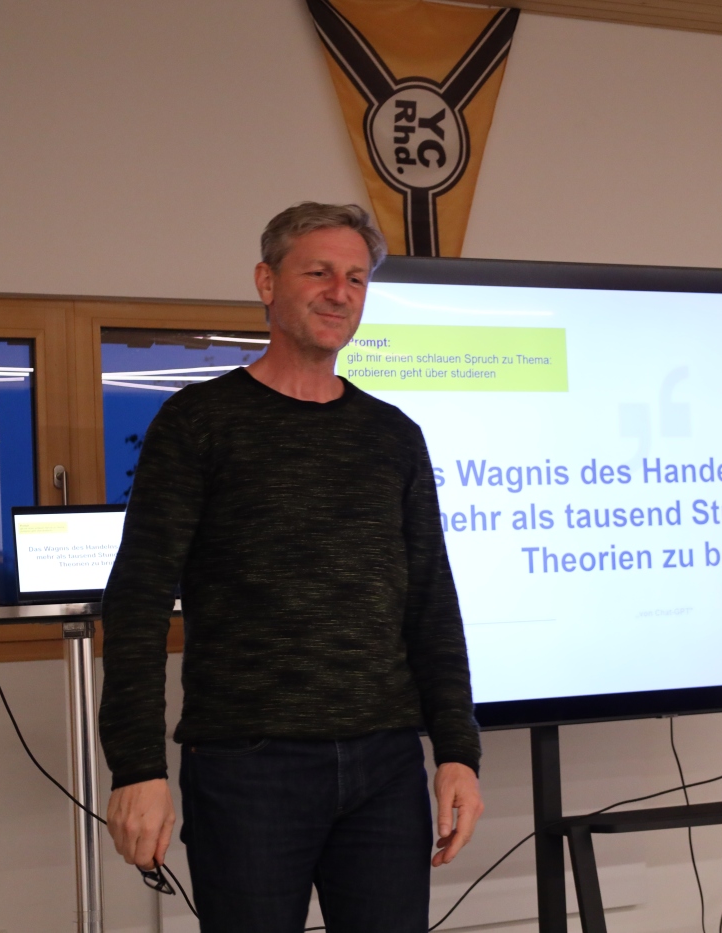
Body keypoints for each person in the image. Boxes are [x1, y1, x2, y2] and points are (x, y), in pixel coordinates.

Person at [98, 202, 483, 933]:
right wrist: (137, 767)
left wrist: (458, 753)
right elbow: (139, 601)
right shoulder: (199, 423)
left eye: (357, 278)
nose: (341, 292)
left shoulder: (393, 436)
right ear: (267, 282)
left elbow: (431, 603)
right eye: (319, 273)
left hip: (385, 765)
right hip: (247, 767)